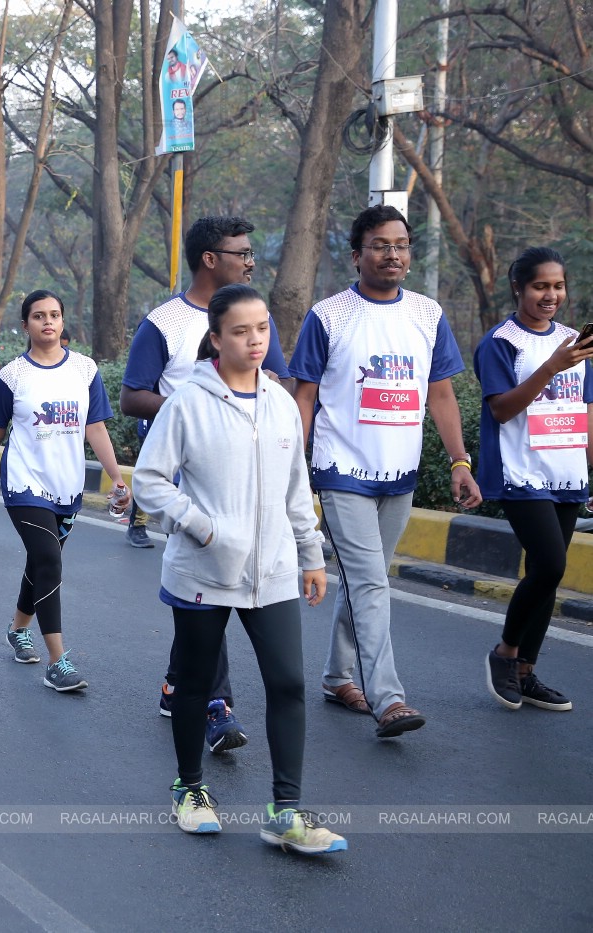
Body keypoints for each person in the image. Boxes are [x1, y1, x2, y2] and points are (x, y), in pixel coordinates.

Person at [134, 283, 345, 856]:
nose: (254, 340)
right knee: (196, 685)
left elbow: (295, 487)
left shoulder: (279, 401)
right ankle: (190, 789)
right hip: (204, 570)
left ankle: (286, 811)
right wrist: (202, 526)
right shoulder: (188, 402)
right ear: (216, 339)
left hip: (273, 568)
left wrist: (310, 554)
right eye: (239, 331)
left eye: (262, 329)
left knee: (289, 683)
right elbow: (149, 482)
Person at [290, 204, 479, 739]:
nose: (391, 253)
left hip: (399, 472)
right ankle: (388, 697)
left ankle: (335, 676)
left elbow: (440, 393)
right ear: (357, 255)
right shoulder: (328, 316)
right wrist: (295, 470)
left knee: (364, 582)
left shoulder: (426, 314)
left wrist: (459, 461)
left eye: (400, 244)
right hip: (340, 467)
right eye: (379, 244)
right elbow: (304, 396)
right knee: (371, 582)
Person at [121, 215, 288, 747]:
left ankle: (180, 685)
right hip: (190, 487)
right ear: (211, 259)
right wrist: (195, 415)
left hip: (249, 483)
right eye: (240, 252)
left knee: (204, 607)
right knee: (207, 590)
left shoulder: (256, 320)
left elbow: (275, 382)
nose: (249, 260)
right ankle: (216, 706)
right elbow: (131, 395)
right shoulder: (164, 323)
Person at [0, 289, 125, 691]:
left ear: (63, 321)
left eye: (54, 314)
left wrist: (117, 477)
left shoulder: (84, 370)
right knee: (49, 559)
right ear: (26, 326)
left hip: (66, 486)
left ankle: (18, 629)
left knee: (40, 564)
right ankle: (58, 661)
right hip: (25, 483)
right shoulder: (12, 376)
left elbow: (96, 427)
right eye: (38, 316)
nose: (47, 321)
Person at [475, 247, 587, 712]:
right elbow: (501, 409)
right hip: (520, 472)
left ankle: (527, 671)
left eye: (557, 286)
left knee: (547, 576)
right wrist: (550, 368)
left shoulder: (574, 339)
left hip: (566, 471)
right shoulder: (501, 342)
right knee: (551, 565)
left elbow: (585, 407)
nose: (551, 295)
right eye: (540, 286)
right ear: (518, 287)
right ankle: (504, 653)